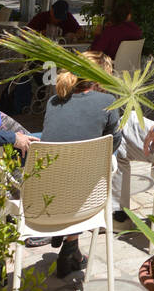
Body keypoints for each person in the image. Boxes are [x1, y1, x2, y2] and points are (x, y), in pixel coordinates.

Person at [40, 51, 122, 278]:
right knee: (91, 168)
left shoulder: (53, 101)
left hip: (44, 197)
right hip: (86, 199)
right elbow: (113, 142)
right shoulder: (106, 102)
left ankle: (71, 245)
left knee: (69, 169)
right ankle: (70, 244)